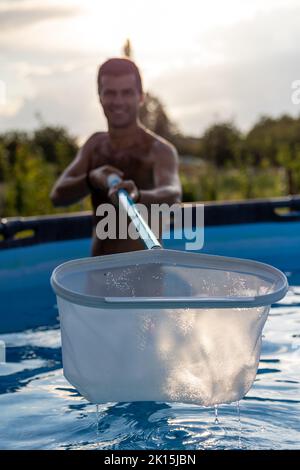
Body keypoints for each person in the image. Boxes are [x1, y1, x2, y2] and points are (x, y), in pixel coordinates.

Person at [50, 58, 182, 256]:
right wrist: (91, 179)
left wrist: (138, 196)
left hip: (143, 277)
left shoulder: (159, 150)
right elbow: (57, 196)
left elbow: (172, 194)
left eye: (127, 92)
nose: (118, 101)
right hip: (97, 275)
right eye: (110, 93)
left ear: (140, 97)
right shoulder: (94, 145)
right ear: (100, 97)